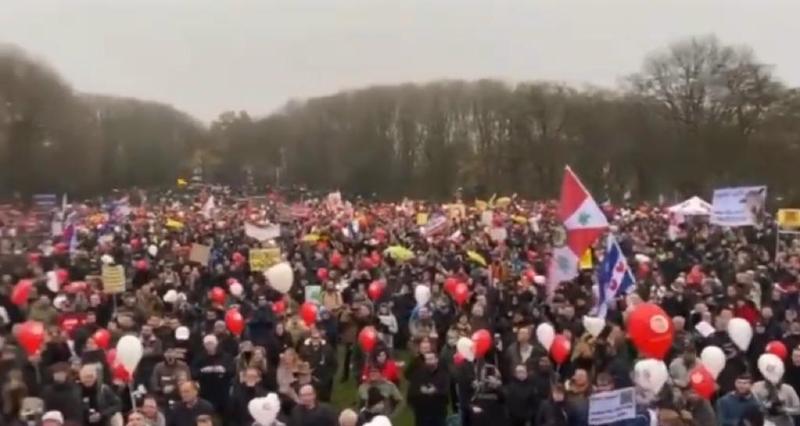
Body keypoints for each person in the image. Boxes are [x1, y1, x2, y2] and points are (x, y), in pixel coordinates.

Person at [191, 334, 234, 413]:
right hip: (206, 392)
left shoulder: (226, 357)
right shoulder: (199, 357)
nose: (209, 346)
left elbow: (232, 371)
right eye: (207, 344)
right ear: (204, 345)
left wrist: (223, 370)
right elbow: (193, 373)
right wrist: (203, 371)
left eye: (211, 343)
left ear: (216, 344)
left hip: (223, 392)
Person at [407, 351, 449, 426]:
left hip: (438, 414)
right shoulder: (418, 374)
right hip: (422, 415)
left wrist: (435, 391)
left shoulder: (443, 374)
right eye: (427, 359)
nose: (429, 361)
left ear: (436, 360)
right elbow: (411, 394)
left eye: (431, 359)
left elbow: (446, 394)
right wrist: (421, 392)